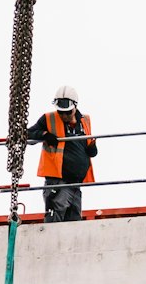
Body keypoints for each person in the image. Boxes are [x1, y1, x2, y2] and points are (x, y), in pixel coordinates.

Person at [27, 84, 97, 222]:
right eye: (61, 112)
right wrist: (44, 134)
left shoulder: (85, 121)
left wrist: (92, 148)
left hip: (76, 185)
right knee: (55, 221)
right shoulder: (48, 119)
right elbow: (27, 134)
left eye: (67, 112)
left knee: (73, 224)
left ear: (75, 107)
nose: (64, 115)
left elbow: (90, 144)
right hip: (58, 183)